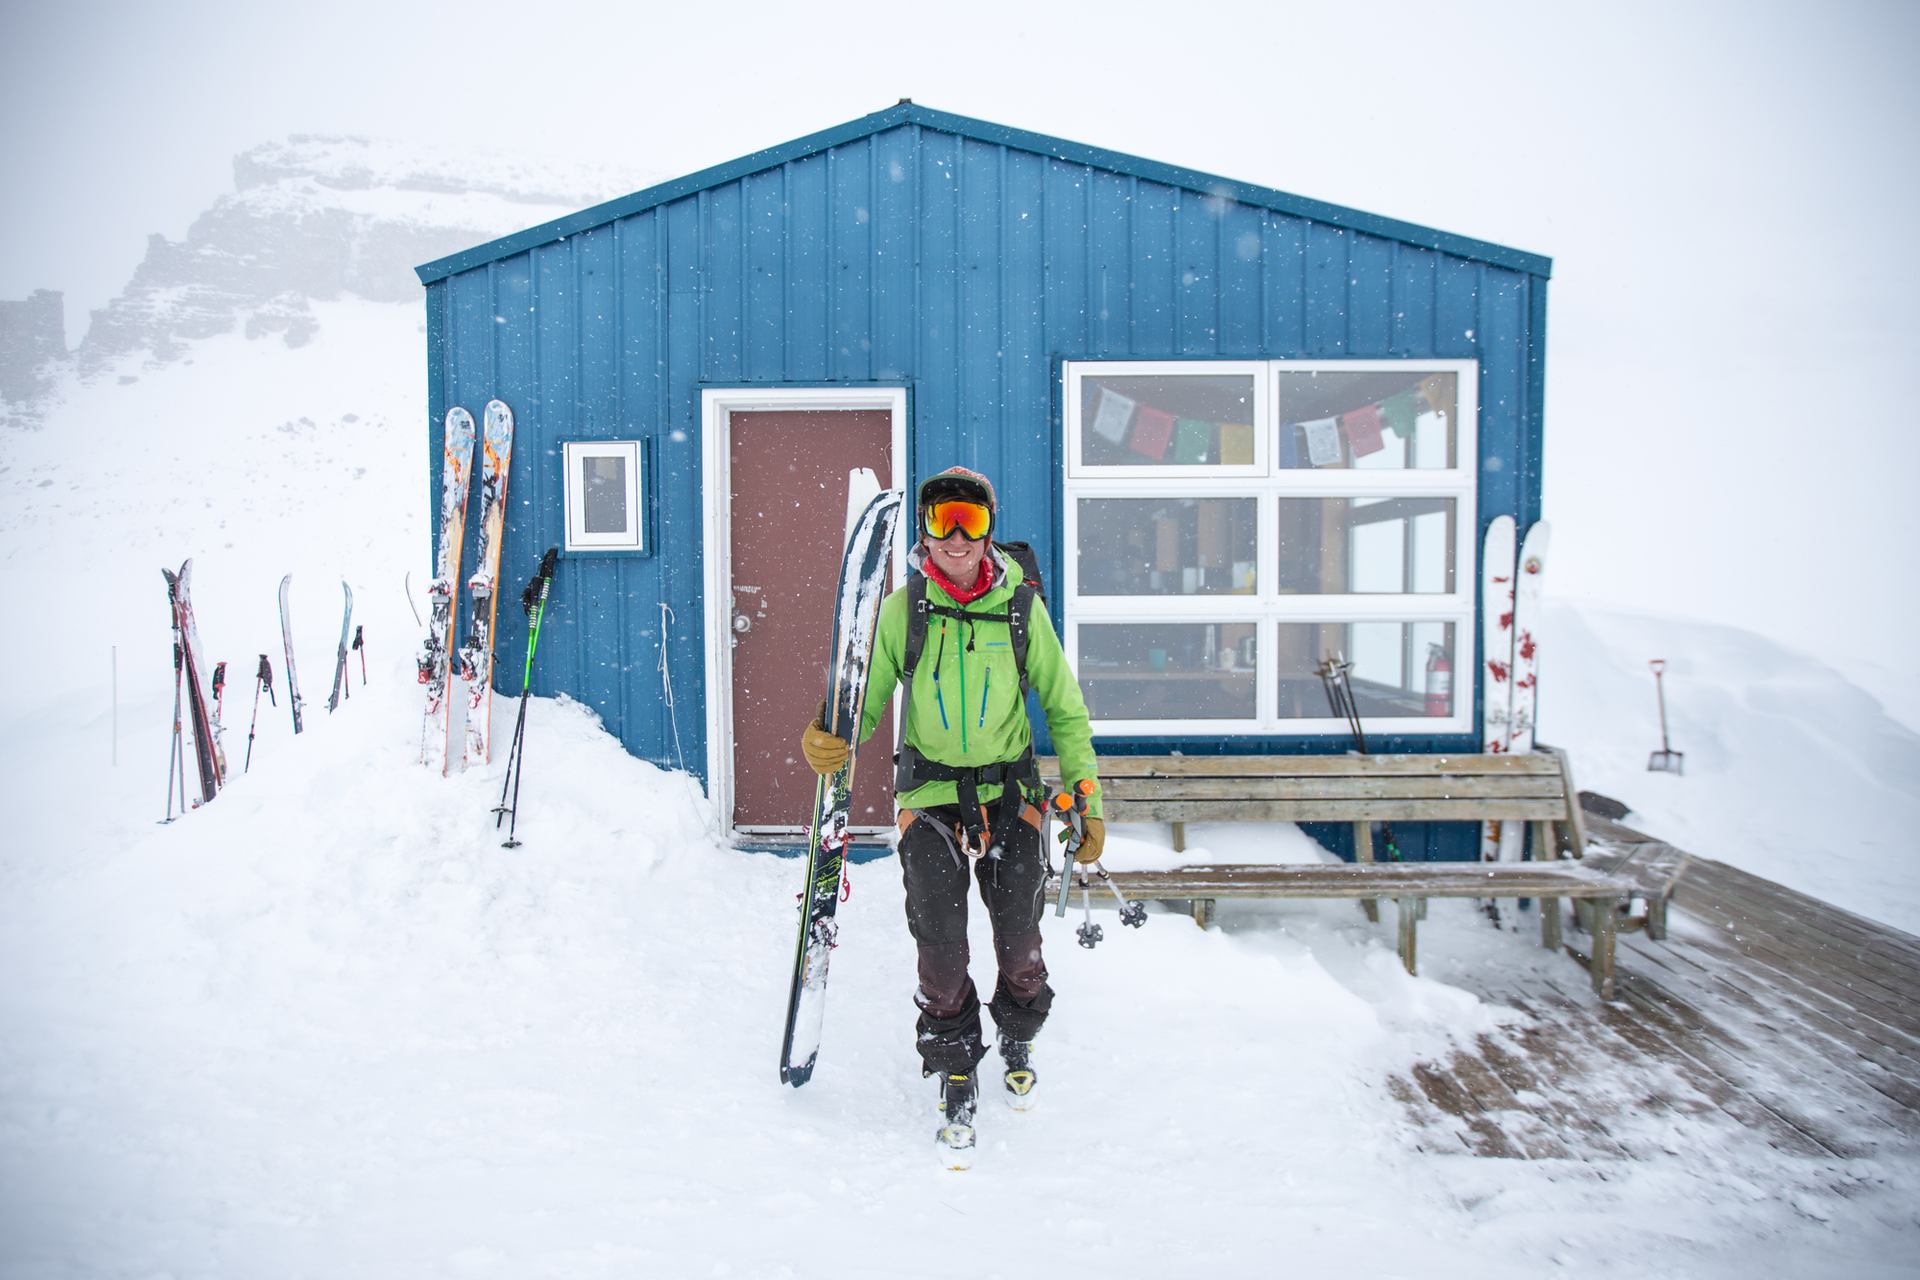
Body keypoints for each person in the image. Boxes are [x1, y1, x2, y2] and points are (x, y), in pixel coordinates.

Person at [799, 465, 1104, 1153]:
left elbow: (1066, 710)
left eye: (970, 520)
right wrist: (832, 732)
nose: (957, 537)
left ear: (989, 527)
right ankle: (956, 1062)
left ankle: (1018, 1037)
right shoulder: (907, 611)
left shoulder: (1023, 609)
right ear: (926, 532)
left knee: (1020, 949)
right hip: (931, 798)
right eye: (943, 521)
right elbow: (866, 697)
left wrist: (1089, 799)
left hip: (1010, 798)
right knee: (940, 953)